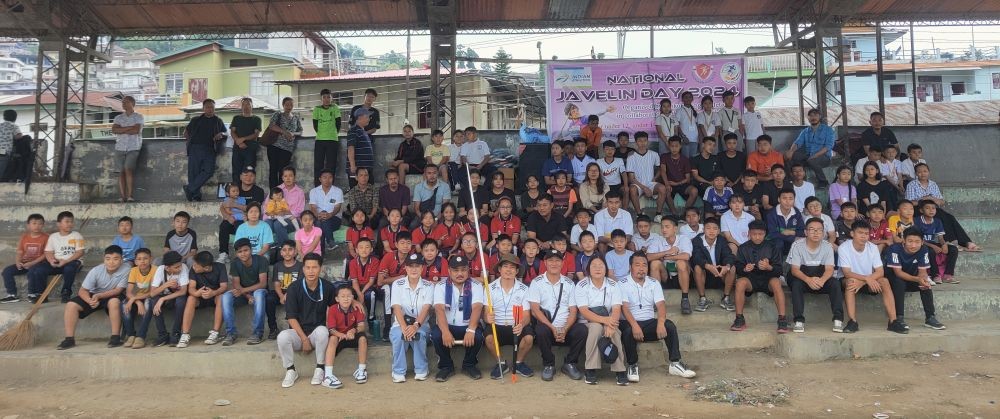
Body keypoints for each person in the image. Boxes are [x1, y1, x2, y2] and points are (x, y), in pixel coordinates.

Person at [619, 252, 696, 382]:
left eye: (644, 265)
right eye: (637, 265)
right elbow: (624, 308)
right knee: (627, 331)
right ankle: (632, 365)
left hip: (648, 323)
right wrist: (635, 326)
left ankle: (675, 363)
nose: (641, 268)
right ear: (630, 267)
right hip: (630, 322)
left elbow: (661, 305)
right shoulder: (622, 283)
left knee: (669, 326)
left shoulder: (654, 282)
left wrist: (660, 324)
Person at [277, 253, 336, 388]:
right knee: (282, 337)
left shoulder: (327, 287)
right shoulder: (294, 288)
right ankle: (291, 370)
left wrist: (354, 301)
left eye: (314, 267)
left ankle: (320, 368)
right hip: (298, 334)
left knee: (322, 331)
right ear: (303, 269)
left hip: (317, 335)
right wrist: (304, 339)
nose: (311, 271)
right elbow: (291, 317)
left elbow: (336, 308)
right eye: (308, 267)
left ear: (320, 268)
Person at [528, 249, 586, 381]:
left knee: (582, 330)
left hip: (566, 327)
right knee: (540, 329)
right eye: (551, 260)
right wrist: (552, 328)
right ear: (545, 263)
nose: (554, 263)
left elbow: (573, 310)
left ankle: (570, 363)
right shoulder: (537, 282)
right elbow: (535, 310)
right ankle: (549, 364)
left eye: (557, 260)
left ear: (562, 263)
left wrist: (565, 329)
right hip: (548, 327)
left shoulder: (569, 283)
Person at [56, 245, 129, 350]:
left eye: (115, 259)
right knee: (71, 305)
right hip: (93, 295)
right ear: (103, 259)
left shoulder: (126, 269)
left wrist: (99, 296)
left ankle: (115, 337)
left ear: (121, 260)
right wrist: (89, 301)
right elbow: (83, 290)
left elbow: (118, 290)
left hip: (112, 294)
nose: (111, 262)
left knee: (114, 302)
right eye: (108, 259)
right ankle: (69, 339)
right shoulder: (96, 271)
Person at [840, 223, 907, 334]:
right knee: (851, 282)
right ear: (852, 234)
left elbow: (880, 271)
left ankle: (893, 321)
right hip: (852, 279)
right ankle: (852, 321)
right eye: (860, 233)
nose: (863, 236)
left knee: (884, 281)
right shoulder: (844, 247)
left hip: (869, 280)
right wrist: (867, 279)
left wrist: (865, 280)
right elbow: (847, 273)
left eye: (866, 233)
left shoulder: (873, 247)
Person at [430, 254, 485, 381]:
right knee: (436, 335)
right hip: (448, 325)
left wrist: (470, 330)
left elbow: (477, 308)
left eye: (463, 270)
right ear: (449, 271)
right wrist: (445, 332)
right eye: (455, 270)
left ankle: (469, 364)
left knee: (478, 336)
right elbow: (439, 309)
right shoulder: (441, 286)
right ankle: (446, 366)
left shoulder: (476, 285)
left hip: (467, 325)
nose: (460, 273)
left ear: (468, 270)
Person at [575, 256, 628, 385]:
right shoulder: (582, 285)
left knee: (615, 331)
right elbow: (584, 311)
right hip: (587, 321)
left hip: (609, 320)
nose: (598, 268)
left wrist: (610, 324)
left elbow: (616, 308)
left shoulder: (613, 284)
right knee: (595, 328)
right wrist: (604, 321)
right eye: (594, 265)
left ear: (606, 269)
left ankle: (620, 369)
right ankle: (591, 368)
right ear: (588, 269)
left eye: (601, 265)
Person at [787, 217, 844, 333]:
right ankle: (799, 320)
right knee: (796, 284)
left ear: (823, 233)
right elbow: (795, 270)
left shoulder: (828, 246)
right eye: (812, 229)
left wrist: (822, 281)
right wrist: (808, 280)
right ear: (806, 232)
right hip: (802, 277)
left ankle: (838, 319)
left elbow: (829, 269)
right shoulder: (797, 245)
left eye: (819, 230)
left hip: (820, 277)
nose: (816, 232)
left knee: (835, 283)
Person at [906, 163, 979, 251]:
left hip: (933, 209)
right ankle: (951, 242)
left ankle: (967, 242)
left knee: (949, 217)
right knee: (940, 216)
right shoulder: (912, 184)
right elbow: (909, 203)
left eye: (925, 171)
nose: (923, 173)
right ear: (916, 174)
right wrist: (925, 198)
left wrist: (933, 199)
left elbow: (941, 202)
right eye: (920, 172)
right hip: (919, 209)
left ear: (929, 172)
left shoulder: (933, 184)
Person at [730, 221, 788, 333]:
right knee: (740, 283)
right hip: (751, 279)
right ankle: (739, 319)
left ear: (765, 234)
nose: (757, 237)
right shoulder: (743, 248)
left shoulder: (772, 247)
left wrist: (769, 267)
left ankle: (782, 319)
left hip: (768, 279)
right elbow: (737, 266)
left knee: (776, 283)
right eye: (754, 234)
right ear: (749, 234)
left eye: (760, 234)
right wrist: (745, 268)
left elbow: (779, 270)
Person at [886, 228, 947, 331]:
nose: (913, 245)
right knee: (899, 282)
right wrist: (917, 279)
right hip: (894, 281)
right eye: (910, 241)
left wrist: (922, 280)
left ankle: (930, 318)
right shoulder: (894, 249)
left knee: (925, 284)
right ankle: (899, 318)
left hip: (911, 279)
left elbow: (922, 272)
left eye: (917, 242)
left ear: (922, 242)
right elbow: (898, 273)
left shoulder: (923, 250)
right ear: (904, 240)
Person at [484, 258, 535, 379]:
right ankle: (501, 363)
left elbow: (527, 315)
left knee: (528, 338)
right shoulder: (489, 288)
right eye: (505, 266)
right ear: (500, 270)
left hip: (516, 326)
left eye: (512, 267)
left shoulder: (524, 289)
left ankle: (518, 363)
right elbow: (486, 312)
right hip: (497, 325)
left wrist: (521, 324)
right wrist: (487, 318)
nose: (509, 270)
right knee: (489, 338)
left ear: (517, 271)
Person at [389, 253, 434, 383]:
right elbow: (396, 307)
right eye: (411, 266)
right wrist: (404, 327)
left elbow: (426, 308)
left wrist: (415, 326)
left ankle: (421, 369)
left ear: (422, 268)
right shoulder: (398, 284)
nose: (414, 269)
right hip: (400, 323)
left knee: (418, 335)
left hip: (421, 324)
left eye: (417, 266)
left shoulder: (429, 285)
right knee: (399, 336)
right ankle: (398, 371)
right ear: (406, 268)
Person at [28, 211, 85, 304]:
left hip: (73, 262)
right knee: (39, 270)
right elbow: (48, 251)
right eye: (67, 221)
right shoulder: (53, 237)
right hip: (57, 262)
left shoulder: (77, 236)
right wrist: (51, 260)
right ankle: (41, 294)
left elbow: (80, 252)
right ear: (59, 224)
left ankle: (66, 292)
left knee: (69, 269)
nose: (70, 224)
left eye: (71, 221)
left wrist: (66, 261)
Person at [321, 285, 369, 389]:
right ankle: (328, 375)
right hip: (339, 336)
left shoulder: (357, 308)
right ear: (337, 299)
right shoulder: (333, 309)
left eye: (349, 296)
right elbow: (331, 329)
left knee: (363, 338)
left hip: (352, 336)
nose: (346, 298)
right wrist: (341, 335)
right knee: (332, 338)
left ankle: (361, 370)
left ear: (353, 298)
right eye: (342, 296)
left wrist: (354, 330)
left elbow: (361, 326)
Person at [223, 238, 269, 345]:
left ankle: (258, 333)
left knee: (258, 293)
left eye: (245, 250)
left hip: (260, 292)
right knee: (225, 296)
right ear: (236, 253)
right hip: (244, 294)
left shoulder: (261, 260)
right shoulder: (235, 263)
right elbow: (236, 285)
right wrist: (248, 296)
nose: (243, 254)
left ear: (251, 250)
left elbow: (263, 284)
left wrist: (244, 290)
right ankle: (231, 333)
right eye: (239, 252)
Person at [178, 251, 227, 348]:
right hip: (200, 297)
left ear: (206, 268)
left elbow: (224, 287)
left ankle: (215, 333)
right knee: (191, 298)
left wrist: (213, 292)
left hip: (215, 296)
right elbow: (191, 287)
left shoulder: (220, 267)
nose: (194, 266)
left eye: (196, 265)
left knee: (221, 297)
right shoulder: (193, 269)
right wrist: (197, 293)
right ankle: (185, 334)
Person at [182, 99, 226, 202]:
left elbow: (225, 132)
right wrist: (190, 143)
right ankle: (196, 195)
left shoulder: (218, 120)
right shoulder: (196, 120)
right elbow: (186, 133)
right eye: (207, 107)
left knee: (209, 171)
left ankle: (190, 188)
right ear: (203, 108)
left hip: (210, 149)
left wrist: (221, 134)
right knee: (193, 172)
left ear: (214, 109)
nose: (210, 109)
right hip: (195, 148)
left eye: (212, 107)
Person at [144, 251, 189, 347]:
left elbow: (183, 291)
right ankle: (162, 334)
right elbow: (152, 293)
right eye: (176, 267)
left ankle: (176, 333)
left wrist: (163, 299)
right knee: (154, 301)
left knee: (181, 301)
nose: (180, 268)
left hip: (175, 297)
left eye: (180, 265)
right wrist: (166, 285)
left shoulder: (184, 268)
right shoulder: (160, 269)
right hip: (166, 296)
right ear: (167, 267)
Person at [691, 218, 736, 312]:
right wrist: (708, 266)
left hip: (719, 274)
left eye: (715, 228)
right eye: (708, 228)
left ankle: (726, 298)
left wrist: (726, 266)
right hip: (704, 275)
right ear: (703, 229)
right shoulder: (697, 240)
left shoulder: (721, 240)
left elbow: (729, 255)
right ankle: (702, 299)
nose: (711, 231)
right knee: (697, 267)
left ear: (719, 231)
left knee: (732, 268)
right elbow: (696, 257)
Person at [650, 217, 693, 312]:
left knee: (681, 262)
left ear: (675, 228)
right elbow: (648, 257)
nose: (664, 230)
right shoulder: (658, 240)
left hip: (681, 276)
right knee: (655, 263)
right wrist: (667, 252)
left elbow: (686, 256)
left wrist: (666, 257)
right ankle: (656, 300)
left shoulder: (683, 238)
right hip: (665, 276)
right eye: (662, 227)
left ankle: (685, 299)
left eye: (667, 227)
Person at [2, 213, 47, 303]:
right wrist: (18, 262)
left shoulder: (46, 237)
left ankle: (32, 294)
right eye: (34, 223)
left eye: (40, 223)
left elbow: (46, 254)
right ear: (28, 225)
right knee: (7, 271)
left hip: (38, 264)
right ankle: (12, 295)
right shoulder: (24, 237)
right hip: (24, 263)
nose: (37, 226)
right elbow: (20, 251)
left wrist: (32, 263)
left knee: (32, 271)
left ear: (43, 225)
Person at [785, 108, 834, 187]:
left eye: (815, 115)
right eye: (810, 116)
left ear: (820, 117)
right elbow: (797, 143)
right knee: (788, 156)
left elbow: (828, 146)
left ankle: (823, 181)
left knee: (812, 161)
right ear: (808, 118)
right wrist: (791, 151)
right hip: (808, 156)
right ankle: (792, 179)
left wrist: (815, 156)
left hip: (823, 157)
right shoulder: (805, 131)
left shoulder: (828, 130)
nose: (813, 118)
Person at [916, 200, 958, 284]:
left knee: (953, 249)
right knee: (930, 251)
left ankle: (948, 274)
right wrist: (933, 246)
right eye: (927, 208)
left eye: (933, 208)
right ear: (921, 210)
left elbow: (940, 238)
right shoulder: (917, 221)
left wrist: (944, 244)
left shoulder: (937, 221)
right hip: (921, 244)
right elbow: (917, 239)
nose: (931, 210)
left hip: (932, 243)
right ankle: (935, 275)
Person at [626, 131, 668, 215]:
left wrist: (655, 178)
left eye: (645, 140)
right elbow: (631, 179)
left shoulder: (654, 154)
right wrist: (644, 188)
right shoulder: (631, 157)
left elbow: (660, 169)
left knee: (662, 188)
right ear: (636, 142)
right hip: (638, 184)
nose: (643, 143)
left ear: (647, 141)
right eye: (640, 141)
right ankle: (639, 214)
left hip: (650, 183)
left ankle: (658, 214)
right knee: (632, 189)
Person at [264, 97, 302, 189]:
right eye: (287, 105)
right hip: (274, 146)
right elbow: (271, 126)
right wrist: (284, 132)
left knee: (283, 171)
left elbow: (300, 131)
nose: (289, 107)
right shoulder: (278, 114)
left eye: (291, 105)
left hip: (287, 148)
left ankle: (281, 192)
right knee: (273, 170)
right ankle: (273, 193)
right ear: (283, 105)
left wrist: (293, 133)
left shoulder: (295, 118)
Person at [111, 95, 143, 202]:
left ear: (132, 103)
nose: (123, 104)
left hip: (133, 147)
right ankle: (122, 196)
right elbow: (114, 130)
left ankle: (129, 196)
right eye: (123, 102)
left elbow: (136, 131)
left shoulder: (139, 117)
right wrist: (130, 127)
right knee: (120, 171)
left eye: (125, 102)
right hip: (119, 147)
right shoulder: (118, 118)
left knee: (128, 169)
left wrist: (122, 129)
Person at [268, 240, 302, 340]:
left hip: (294, 292)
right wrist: (281, 296)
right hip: (281, 293)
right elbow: (276, 283)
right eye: (284, 250)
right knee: (269, 299)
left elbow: (297, 285)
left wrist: (287, 296)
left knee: (292, 300)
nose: (287, 253)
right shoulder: (277, 266)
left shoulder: (300, 266)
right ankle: (273, 328)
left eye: (290, 250)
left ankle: (293, 330)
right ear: (281, 253)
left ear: (295, 252)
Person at [264, 167, 306, 246]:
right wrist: (270, 215)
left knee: (278, 224)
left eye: (290, 176)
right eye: (285, 176)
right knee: (266, 224)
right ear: (282, 178)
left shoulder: (299, 192)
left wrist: (286, 212)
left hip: (291, 219)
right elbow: (266, 206)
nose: (288, 178)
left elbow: (300, 210)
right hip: (274, 216)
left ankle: (284, 247)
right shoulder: (276, 190)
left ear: (294, 177)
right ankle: (267, 249)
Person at [121, 248, 154, 348]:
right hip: (136, 297)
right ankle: (131, 335)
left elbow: (152, 292)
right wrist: (137, 301)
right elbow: (129, 292)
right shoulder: (134, 270)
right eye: (139, 259)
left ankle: (141, 336)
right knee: (123, 304)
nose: (142, 261)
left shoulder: (156, 270)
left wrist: (134, 299)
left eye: (145, 258)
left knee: (148, 303)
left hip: (150, 297)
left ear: (150, 259)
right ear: (135, 261)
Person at [347, 237, 381, 330]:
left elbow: (371, 281)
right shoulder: (352, 262)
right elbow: (354, 281)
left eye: (367, 247)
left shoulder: (375, 261)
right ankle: (351, 324)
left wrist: (362, 293)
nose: (364, 250)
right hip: (356, 286)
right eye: (361, 247)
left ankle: (371, 319)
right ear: (356, 250)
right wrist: (359, 293)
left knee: (371, 295)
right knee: (348, 296)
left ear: (371, 249)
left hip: (369, 286)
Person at [660, 136, 697, 215]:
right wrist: (667, 184)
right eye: (672, 146)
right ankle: (674, 214)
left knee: (694, 191)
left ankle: (685, 214)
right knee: (666, 191)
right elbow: (663, 171)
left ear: (680, 146)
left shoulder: (685, 159)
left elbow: (688, 178)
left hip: (682, 184)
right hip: (669, 183)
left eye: (676, 146)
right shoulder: (664, 157)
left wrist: (677, 183)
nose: (674, 148)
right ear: (668, 146)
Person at [308, 169, 344, 251]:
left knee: (321, 223)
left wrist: (330, 215)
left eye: (330, 177)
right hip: (318, 217)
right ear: (320, 179)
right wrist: (318, 215)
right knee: (321, 222)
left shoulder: (338, 191)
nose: (327, 180)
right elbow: (313, 207)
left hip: (334, 219)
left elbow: (337, 207)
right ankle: (330, 241)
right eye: (324, 177)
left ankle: (320, 253)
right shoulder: (314, 191)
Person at [312, 89, 342, 186]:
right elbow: (315, 125)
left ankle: (330, 186)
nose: (326, 99)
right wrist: (322, 133)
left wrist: (332, 133)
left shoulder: (335, 108)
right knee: (318, 165)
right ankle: (317, 187)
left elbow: (338, 123)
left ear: (331, 98)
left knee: (331, 165)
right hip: (320, 140)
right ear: (321, 99)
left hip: (332, 140)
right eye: (324, 97)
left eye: (328, 97)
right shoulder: (317, 109)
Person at [229, 97, 261, 185]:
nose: (246, 106)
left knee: (249, 171)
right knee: (236, 171)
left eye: (248, 104)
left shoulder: (256, 119)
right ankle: (236, 193)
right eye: (243, 105)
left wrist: (243, 139)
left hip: (250, 149)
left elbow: (256, 134)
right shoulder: (236, 118)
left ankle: (247, 193)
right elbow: (232, 131)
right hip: (237, 148)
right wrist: (238, 141)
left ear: (252, 106)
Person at [766, 188, 805, 255]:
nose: (787, 201)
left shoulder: (796, 212)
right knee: (779, 243)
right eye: (784, 198)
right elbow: (772, 234)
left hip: (790, 241)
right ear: (779, 199)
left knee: (803, 242)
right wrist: (792, 237)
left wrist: (792, 232)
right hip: (774, 242)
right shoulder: (771, 214)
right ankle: (777, 265)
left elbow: (802, 231)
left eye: (790, 199)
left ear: (794, 200)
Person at [346, 107, 375, 189]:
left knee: (369, 192)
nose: (369, 119)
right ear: (360, 118)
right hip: (357, 169)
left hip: (366, 169)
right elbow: (351, 148)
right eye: (367, 117)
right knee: (356, 192)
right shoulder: (353, 130)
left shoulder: (363, 131)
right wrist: (352, 165)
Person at [675, 91, 699, 156]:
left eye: (689, 97)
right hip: (685, 139)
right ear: (682, 99)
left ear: (692, 99)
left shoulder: (694, 111)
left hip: (695, 139)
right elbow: (677, 125)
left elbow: (697, 125)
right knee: (685, 159)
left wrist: (699, 136)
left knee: (693, 159)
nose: (688, 99)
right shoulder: (679, 110)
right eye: (686, 97)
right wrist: (683, 136)